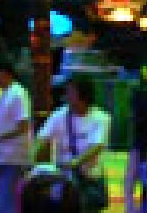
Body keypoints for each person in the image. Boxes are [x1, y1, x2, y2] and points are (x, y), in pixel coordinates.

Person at [32, 76, 110, 213]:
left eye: (71, 91)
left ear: (83, 94)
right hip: (63, 179)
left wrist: (76, 162)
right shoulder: (59, 115)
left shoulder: (101, 118)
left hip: (89, 178)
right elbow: (42, 138)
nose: (66, 95)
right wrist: (31, 161)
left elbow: (97, 146)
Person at [0, 60, 32, 213]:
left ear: (4, 73)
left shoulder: (18, 93)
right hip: (0, 156)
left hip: (13, 158)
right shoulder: (3, 94)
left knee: (6, 203)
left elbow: (23, 126)